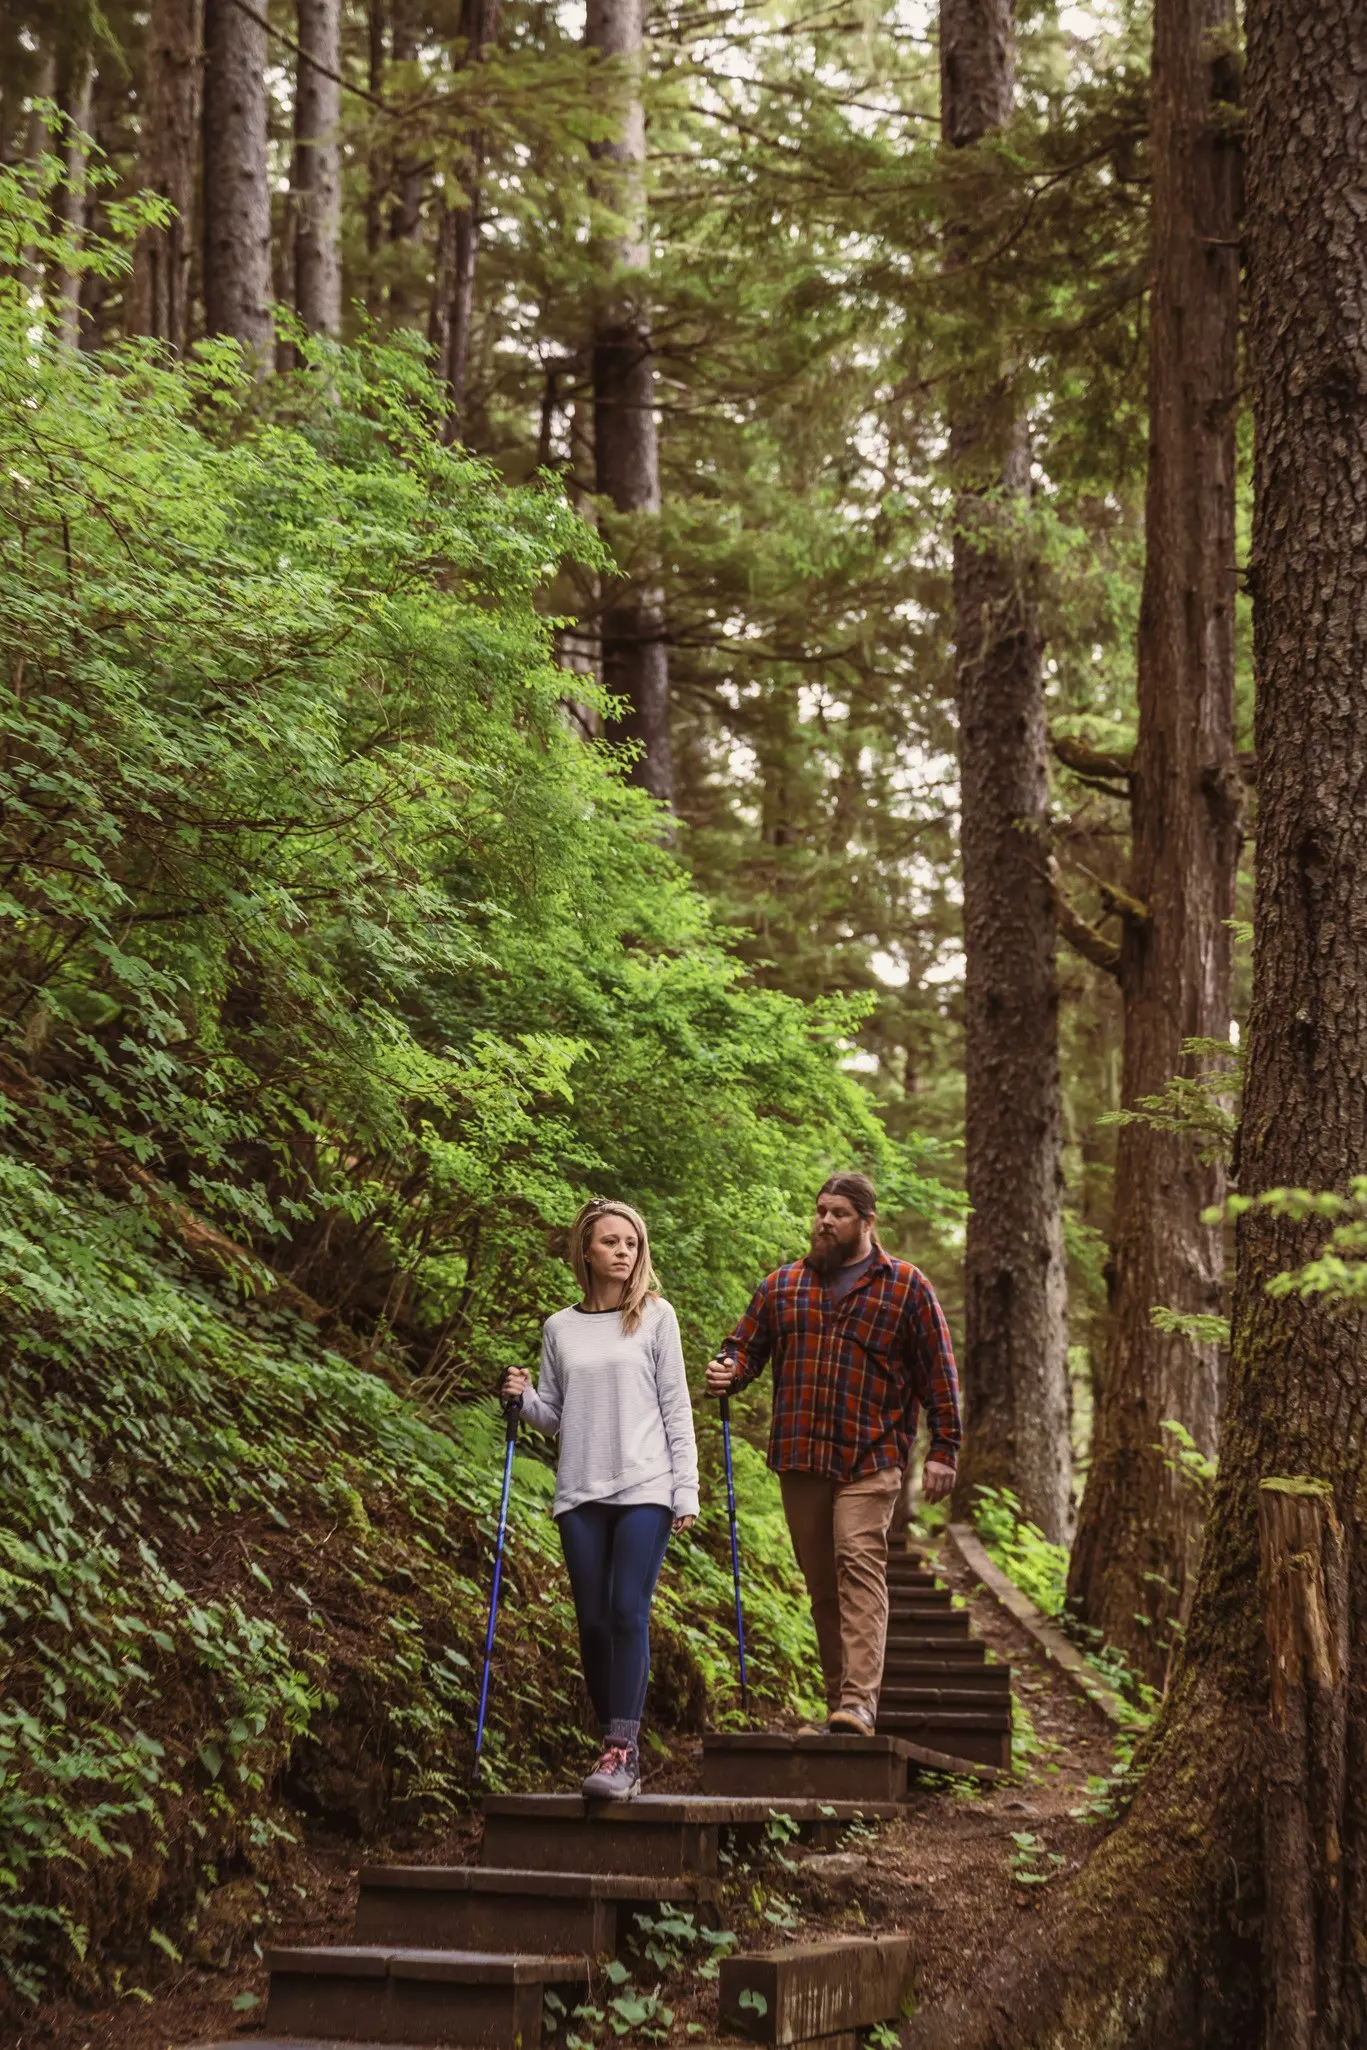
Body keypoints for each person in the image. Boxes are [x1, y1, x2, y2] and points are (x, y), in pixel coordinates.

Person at [704, 1173, 960, 1737]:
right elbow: (745, 1347)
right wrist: (730, 1369)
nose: (825, 1221)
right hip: (800, 1457)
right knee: (822, 1585)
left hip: (872, 1457)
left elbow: (938, 1372)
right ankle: (840, 1706)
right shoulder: (783, 1285)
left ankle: (859, 1703)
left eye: (839, 1213)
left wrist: (945, 1447)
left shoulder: (907, 1287)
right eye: (820, 1210)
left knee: (858, 1567)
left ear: (867, 1222)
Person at [503, 1198, 698, 1801]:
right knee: (591, 1623)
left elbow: (676, 1407)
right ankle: (610, 1737)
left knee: (625, 1612)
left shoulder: (656, 1318)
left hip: (645, 1486)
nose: (622, 1251)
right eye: (610, 1241)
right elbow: (554, 1417)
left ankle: (622, 1749)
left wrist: (685, 1487)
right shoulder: (559, 1328)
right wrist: (522, 1396)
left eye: (631, 1243)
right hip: (580, 1491)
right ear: (585, 1250)